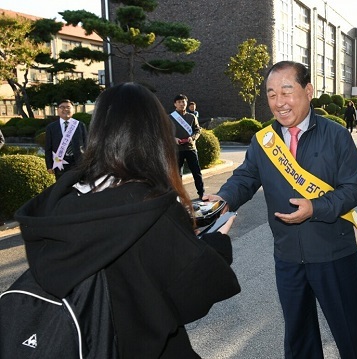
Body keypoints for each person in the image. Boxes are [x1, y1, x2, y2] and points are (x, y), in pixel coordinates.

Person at [14, 83, 241, 359]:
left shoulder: (62, 200)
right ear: (154, 135)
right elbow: (188, 294)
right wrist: (217, 243)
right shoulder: (152, 206)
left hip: (81, 342)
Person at [206, 61, 357, 358]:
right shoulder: (263, 140)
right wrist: (223, 199)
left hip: (333, 254)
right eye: (271, 95)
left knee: (351, 332)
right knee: (299, 337)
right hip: (288, 257)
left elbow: (354, 189)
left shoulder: (336, 136)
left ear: (308, 91)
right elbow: (245, 177)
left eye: (286, 91)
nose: (279, 103)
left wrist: (316, 207)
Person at [170, 94, 205, 199]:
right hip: (177, 149)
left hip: (191, 148)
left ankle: (201, 193)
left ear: (186, 103)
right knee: (177, 174)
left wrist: (193, 137)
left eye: (183, 102)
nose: (182, 104)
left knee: (196, 172)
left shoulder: (192, 117)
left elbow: (197, 130)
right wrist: (173, 138)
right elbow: (165, 132)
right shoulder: (170, 117)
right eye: (179, 102)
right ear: (175, 104)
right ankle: (178, 195)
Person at [44, 100, 88, 180]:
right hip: (60, 162)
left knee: (79, 186)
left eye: (68, 107)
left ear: (73, 109)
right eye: (62, 107)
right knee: (62, 187)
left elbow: (87, 145)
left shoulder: (80, 125)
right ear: (58, 110)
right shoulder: (51, 127)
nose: (65, 109)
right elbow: (48, 148)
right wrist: (49, 166)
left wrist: (88, 163)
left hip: (78, 162)